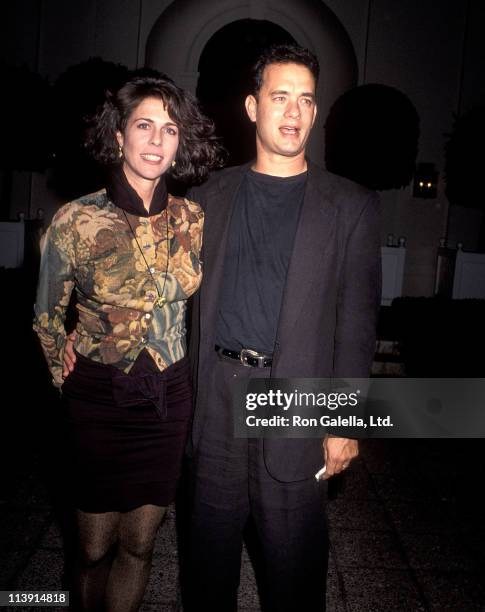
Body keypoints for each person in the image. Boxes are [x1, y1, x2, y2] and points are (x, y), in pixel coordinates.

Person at [184, 44, 381, 611]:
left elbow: (357, 325)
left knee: (294, 580)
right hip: (217, 398)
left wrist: (346, 422)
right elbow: (164, 294)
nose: (293, 112)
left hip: (295, 402)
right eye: (279, 97)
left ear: (314, 113)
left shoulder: (351, 206)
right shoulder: (208, 198)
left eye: (305, 100)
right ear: (252, 107)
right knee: (205, 574)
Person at [33, 71, 222, 612]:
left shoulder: (194, 219)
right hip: (96, 397)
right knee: (94, 547)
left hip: (168, 398)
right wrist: (60, 370)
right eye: (145, 126)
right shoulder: (75, 220)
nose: (157, 141)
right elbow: (45, 315)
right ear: (119, 135)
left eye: (169, 130)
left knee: (140, 543)